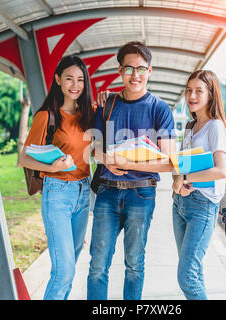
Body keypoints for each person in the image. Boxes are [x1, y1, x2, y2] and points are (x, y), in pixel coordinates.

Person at [87, 41, 176, 300]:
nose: (135, 75)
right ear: (119, 70)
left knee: (134, 265)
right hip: (107, 192)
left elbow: (169, 162)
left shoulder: (160, 109)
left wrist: (127, 165)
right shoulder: (107, 104)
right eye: (129, 68)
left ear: (150, 71)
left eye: (141, 68)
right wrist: (108, 160)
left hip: (142, 194)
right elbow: (95, 149)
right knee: (97, 266)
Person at [19, 55, 95, 300]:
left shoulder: (89, 114)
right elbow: (24, 158)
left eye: (80, 79)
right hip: (58, 193)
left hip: (83, 194)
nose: (75, 85)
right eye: (69, 78)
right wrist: (52, 168)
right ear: (58, 80)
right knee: (63, 271)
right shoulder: (46, 116)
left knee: (70, 266)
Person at [172, 70, 226, 300]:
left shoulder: (215, 127)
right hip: (181, 204)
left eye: (199, 90)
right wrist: (178, 182)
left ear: (211, 94)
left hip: (202, 206)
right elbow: (181, 165)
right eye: (189, 90)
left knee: (187, 276)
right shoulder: (191, 126)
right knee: (192, 272)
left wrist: (186, 179)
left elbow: (220, 170)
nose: (192, 95)